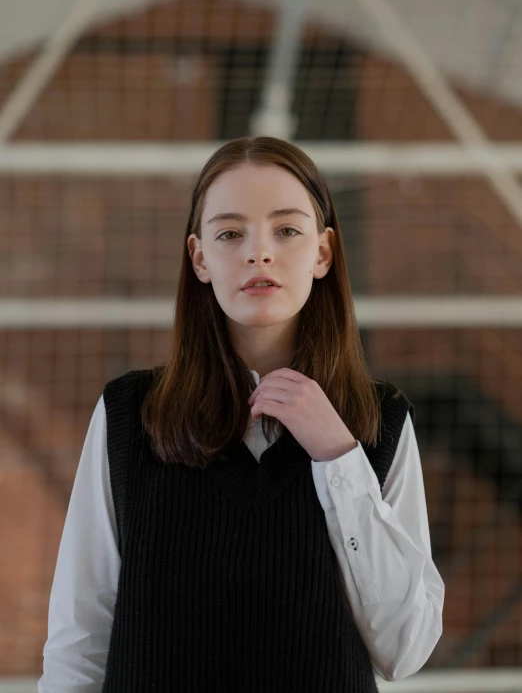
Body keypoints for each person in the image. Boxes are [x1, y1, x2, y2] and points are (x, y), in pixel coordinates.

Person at [38, 135, 444, 692]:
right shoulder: (129, 414)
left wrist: (340, 459)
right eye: (230, 234)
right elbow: (78, 641)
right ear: (199, 257)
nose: (259, 253)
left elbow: (405, 648)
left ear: (323, 252)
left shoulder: (379, 420)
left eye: (287, 230)